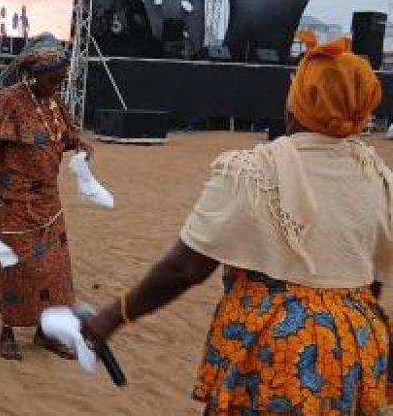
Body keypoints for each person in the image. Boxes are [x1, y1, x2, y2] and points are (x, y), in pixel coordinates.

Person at [83, 35, 393, 414]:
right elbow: (373, 276)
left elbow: (185, 269)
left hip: (277, 350)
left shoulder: (251, 170)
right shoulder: (377, 176)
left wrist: (114, 316)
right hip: (357, 345)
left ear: (298, 103)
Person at [0, 34, 94, 361]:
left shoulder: (54, 101)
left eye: (61, 78)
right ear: (34, 73)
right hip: (12, 201)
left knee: (53, 271)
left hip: (48, 204)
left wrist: (80, 145)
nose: (58, 83)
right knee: (17, 268)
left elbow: (64, 138)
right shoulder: (9, 100)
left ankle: (45, 333)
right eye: (53, 77)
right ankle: (8, 331)